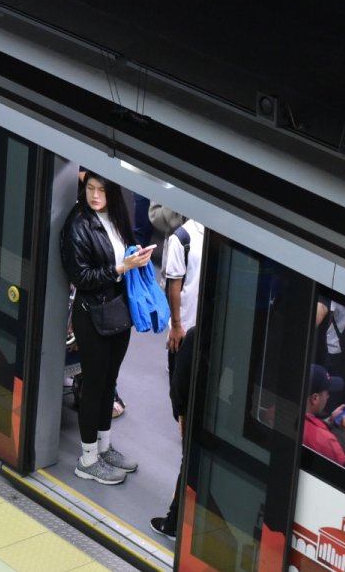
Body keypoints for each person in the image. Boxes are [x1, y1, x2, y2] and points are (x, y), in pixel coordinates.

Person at [60, 171, 152, 485]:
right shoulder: (78, 225)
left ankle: (104, 447)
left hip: (117, 311)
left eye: (101, 189)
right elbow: (81, 277)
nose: (95, 195)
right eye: (90, 188)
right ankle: (87, 460)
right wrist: (121, 268)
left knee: (109, 383)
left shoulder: (116, 218)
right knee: (94, 385)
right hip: (93, 314)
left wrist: (135, 258)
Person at [150, 327, 195, 541]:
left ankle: (174, 523)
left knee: (190, 463)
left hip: (197, 415)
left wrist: (181, 413)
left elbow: (178, 385)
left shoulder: (195, 336)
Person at [163, 218, 204, 384]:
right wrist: (176, 326)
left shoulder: (220, 234)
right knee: (178, 386)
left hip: (208, 327)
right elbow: (174, 284)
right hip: (185, 327)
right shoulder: (182, 237)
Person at [302, 364, 345, 466]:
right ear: (315, 398)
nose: (328, 396)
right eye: (328, 392)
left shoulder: (279, 410)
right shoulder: (326, 440)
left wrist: (330, 420)